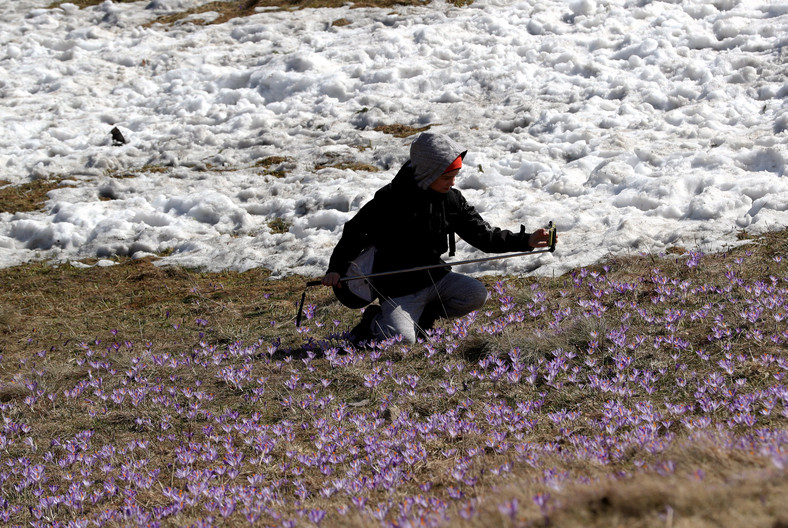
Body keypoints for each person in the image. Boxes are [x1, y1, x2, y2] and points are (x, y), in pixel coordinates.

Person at [322, 132, 553, 345]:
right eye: (447, 177)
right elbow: (354, 232)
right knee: (401, 341)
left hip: (436, 278)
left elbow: (483, 235)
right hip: (399, 290)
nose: (453, 182)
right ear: (427, 173)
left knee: (476, 294)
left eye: (455, 176)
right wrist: (336, 267)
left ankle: (423, 315)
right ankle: (373, 321)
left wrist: (526, 241)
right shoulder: (390, 201)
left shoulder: (451, 200)